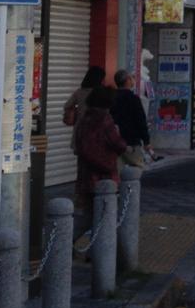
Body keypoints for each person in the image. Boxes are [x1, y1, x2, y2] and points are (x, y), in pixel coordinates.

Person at [75, 85, 129, 238]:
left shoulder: (85, 118)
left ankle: (67, 244)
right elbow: (117, 143)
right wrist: (126, 146)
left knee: (88, 214)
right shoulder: (105, 120)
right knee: (105, 215)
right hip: (104, 174)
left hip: (86, 171)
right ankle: (99, 253)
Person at [111, 68, 151, 167]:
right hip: (131, 140)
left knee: (116, 170)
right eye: (131, 78)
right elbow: (141, 120)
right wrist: (146, 141)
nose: (133, 80)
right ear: (128, 80)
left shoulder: (111, 97)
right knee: (136, 170)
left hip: (114, 140)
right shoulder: (133, 99)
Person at [63, 65, 106, 156]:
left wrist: (77, 110)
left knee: (82, 161)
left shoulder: (79, 92)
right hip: (96, 131)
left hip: (80, 130)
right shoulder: (101, 93)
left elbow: (67, 105)